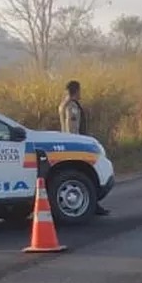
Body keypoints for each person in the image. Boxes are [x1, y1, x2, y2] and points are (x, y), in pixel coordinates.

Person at [59, 80, 109, 215]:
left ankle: (90, 204)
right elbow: (72, 127)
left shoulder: (63, 104)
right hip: (74, 144)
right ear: (76, 91)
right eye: (79, 90)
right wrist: (78, 144)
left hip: (67, 143)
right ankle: (91, 205)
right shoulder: (72, 106)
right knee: (85, 175)